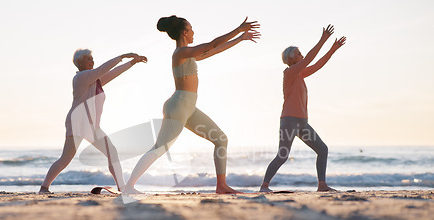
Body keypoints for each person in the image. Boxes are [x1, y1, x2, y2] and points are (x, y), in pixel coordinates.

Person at [122, 16, 260, 194]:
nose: (194, 32)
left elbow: (214, 50)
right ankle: (129, 187)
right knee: (160, 148)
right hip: (178, 106)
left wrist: (239, 39)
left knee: (221, 139)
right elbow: (212, 45)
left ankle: (221, 186)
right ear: (185, 32)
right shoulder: (180, 53)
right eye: (191, 29)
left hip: (188, 108)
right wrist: (238, 29)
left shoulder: (188, 54)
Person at [39, 49, 147, 194]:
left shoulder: (95, 80)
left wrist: (132, 62)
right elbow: (103, 69)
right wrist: (122, 56)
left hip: (91, 126)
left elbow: (113, 73)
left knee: (112, 152)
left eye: (92, 59)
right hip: (77, 123)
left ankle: (123, 187)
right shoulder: (81, 77)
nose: (92, 61)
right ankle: (44, 187)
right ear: (80, 63)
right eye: (88, 59)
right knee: (66, 158)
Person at [260, 25, 346, 192]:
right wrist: (323, 39)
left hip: (302, 123)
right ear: (291, 59)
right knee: (282, 156)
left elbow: (317, 64)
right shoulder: (289, 73)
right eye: (298, 53)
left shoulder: (300, 74)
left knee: (322, 149)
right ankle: (264, 186)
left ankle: (322, 185)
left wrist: (332, 49)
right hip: (289, 121)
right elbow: (310, 60)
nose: (302, 55)